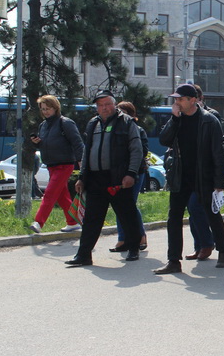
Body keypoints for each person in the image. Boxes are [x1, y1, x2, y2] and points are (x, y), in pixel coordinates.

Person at [154, 84, 224, 274]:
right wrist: (174, 118)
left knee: (212, 214)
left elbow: (218, 152)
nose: (176, 102)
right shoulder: (177, 119)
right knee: (174, 217)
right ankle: (173, 260)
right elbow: (164, 140)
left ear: (193, 100)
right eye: (175, 99)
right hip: (181, 175)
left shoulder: (209, 121)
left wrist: (219, 182)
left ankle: (223, 250)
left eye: (180, 99)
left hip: (203, 175)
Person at [65, 91, 143, 267]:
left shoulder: (126, 122)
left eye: (107, 104)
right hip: (95, 179)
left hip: (118, 178)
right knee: (91, 218)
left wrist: (131, 173)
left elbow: (136, 149)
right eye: (100, 105)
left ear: (114, 104)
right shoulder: (93, 124)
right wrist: (82, 177)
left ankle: (133, 248)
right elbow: (87, 152)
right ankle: (84, 255)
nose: (104, 108)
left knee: (127, 215)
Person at [30, 95, 84, 234]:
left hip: (64, 164)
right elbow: (47, 144)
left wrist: (81, 162)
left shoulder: (65, 122)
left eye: (48, 109)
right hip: (51, 164)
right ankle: (72, 222)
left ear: (55, 108)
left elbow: (77, 143)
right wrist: (38, 143)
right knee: (61, 195)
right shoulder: (43, 125)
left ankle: (38, 222)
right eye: (43, 109)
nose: (45, 112)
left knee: (50, 192)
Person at [110, 101, 148, 252]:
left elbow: (142, 151)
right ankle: (123, 238)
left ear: (131, 114)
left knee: (129, 205)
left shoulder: (138, 130)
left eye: (123, 111)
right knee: (119, 205)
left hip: (135, 172)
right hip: (117, 172)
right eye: (118, 111)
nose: (120, 114)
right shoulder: (113, 129)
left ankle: (140, 236)